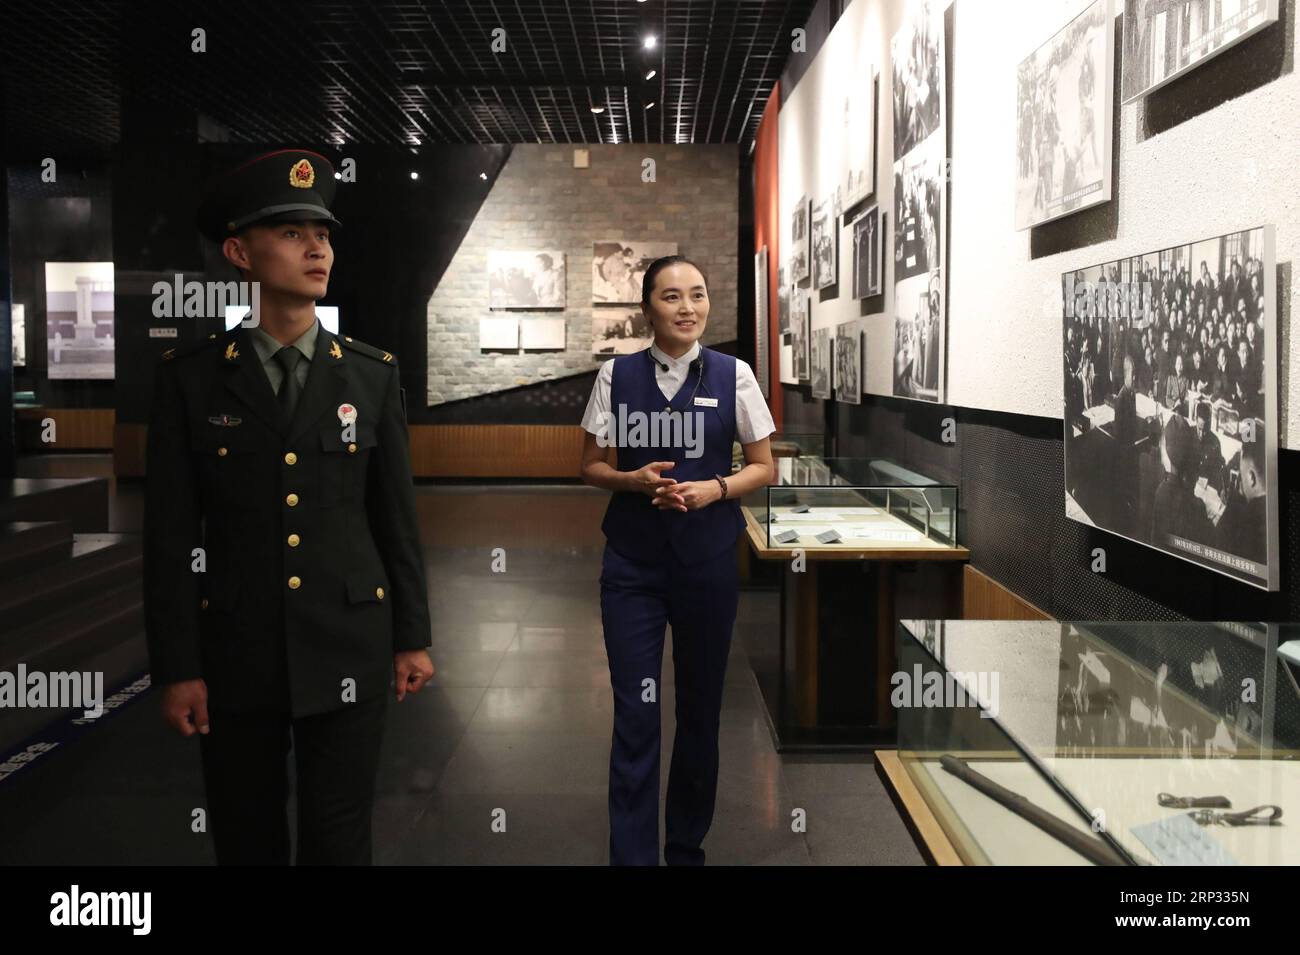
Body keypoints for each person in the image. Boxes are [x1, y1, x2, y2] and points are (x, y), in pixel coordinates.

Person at [144, 149, 434, 865]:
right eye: (292, 232)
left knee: (340, 837)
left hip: (348, 640)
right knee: (247, 836)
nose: (317, 248)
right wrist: (177, 664)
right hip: (238, 649)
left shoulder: (370, 375)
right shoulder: (194, 381)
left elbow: (395, 518)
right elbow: (171, 537)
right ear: (241, 252)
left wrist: (412, 635)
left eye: (324, 233)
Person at [579, 255, 775, 865]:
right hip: (633, 567)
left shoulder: (734, 374)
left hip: (707, 563)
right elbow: (589, 466)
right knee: (635, 712)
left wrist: (715, 488)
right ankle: (633, 856)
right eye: (671, 297)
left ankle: (685, 845)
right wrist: (632, 480)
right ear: (647, 309)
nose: (687, 308)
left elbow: (765, 467)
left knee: (699, 709)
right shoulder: (616, 377)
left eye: (697, 295)